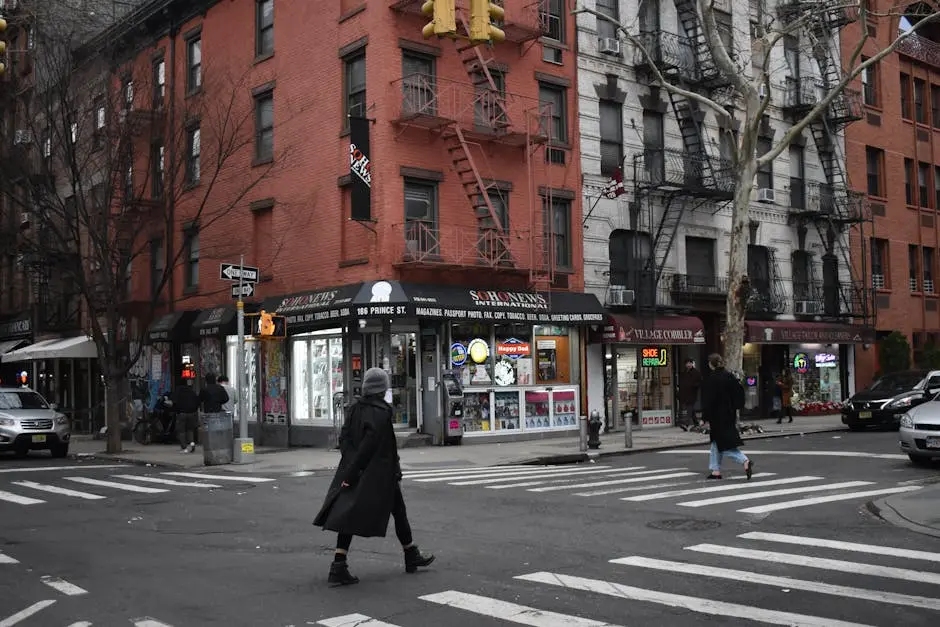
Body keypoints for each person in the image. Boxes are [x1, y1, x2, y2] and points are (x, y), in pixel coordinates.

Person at [313, 367, 434, 586]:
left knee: (349, 513)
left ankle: (342, 564)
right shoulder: (381, 412)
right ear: (382, 388)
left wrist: (350, 466)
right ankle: (409, 555)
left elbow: (345, 440)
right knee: (397, 511)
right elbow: (375, 445)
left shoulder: (354, 409)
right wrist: (360, 470)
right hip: (377, 474)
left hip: (357, 469)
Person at [701, 353, 753, 480]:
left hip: (717, 416)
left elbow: (709, 400)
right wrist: (735, 407)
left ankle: (744, 460)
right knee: (717, 442)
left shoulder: (712, 378)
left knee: (722, 443)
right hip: (729, 414)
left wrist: (704, 417)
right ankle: (715, 470)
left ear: (711, 364)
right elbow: (739, 393)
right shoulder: (729, 376)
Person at [168, 380, 200, 453]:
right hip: (192, 413)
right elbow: (197, 401)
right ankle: (192, 444)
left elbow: (173, 402)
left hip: (182, 413)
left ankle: (184, 448)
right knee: (190, 430)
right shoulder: (191, 391)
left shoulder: (178, 391)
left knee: (181, 431)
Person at [677, 358, 702, 430]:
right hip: (684, 394)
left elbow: (700, 382)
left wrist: (694, 386)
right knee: (691, 410)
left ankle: (686, 424)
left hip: (692, 393)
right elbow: (681, 383)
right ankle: (696, 423)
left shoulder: (696, 372)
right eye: (687, 363)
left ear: (692, 364)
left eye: (689, 363)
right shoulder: (684, 372)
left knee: (689, 408)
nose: (688, 365)